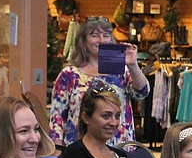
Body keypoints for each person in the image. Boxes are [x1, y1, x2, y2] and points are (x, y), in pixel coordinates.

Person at [49, 16, 150, 146]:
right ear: (83, 41)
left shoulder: (121, 71)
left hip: (118, 146)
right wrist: (58, 151)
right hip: (79, 149)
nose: (102, 40)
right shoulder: (69, 74)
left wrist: (132, 65)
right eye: (95, 35)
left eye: (106, 35)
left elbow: (142, 92)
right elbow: (57, 117)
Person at [58, 86, 126, 158]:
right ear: (86, 118)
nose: (114, 123)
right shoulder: (74, 155)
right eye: (106, 116)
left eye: (117, 116)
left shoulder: (122, 155)